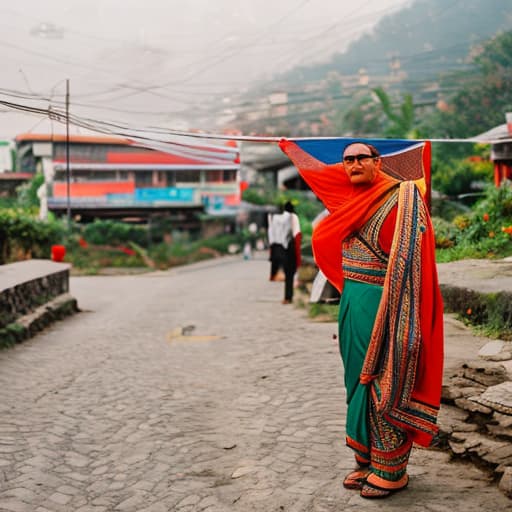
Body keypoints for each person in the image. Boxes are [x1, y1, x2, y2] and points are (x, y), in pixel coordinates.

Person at [279, 139, 444, 499]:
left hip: (389, 300)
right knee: (356, 378)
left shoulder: (402, 197)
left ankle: (392, 469)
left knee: (384, 376)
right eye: (347, 159)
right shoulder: (345, 200)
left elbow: (413, 257)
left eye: (360, 158)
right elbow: (313, 174)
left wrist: (399, 312)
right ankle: (367, 458)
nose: (353, 164)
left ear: (376, 161)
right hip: (352, 298)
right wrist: (289, 148)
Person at [267, 201, 302, 304]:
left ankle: (287, 297)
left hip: (278, 248)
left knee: (287, 274)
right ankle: (288, 297)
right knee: (290, 274)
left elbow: (271, 236)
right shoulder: (293, 217)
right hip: (290, 248)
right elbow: (297, 234)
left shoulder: (274, 218)